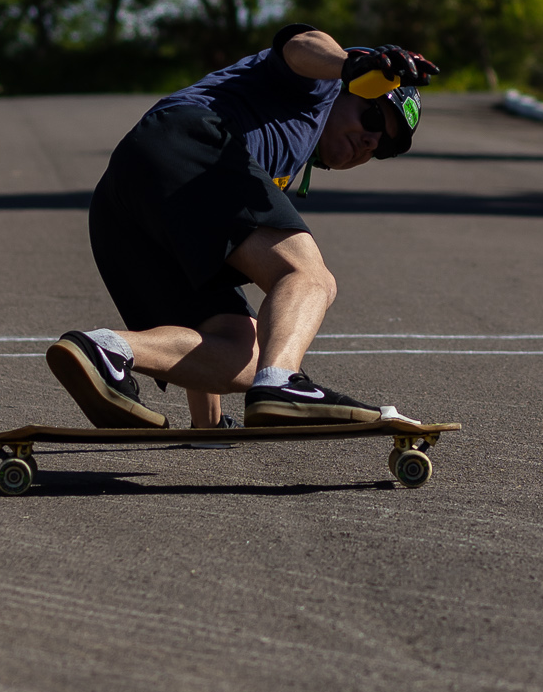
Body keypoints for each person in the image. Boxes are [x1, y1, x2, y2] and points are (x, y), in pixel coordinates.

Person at [46, 25, 438, 430]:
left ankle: (106, 349)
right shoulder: (318, 89)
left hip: (124, 203)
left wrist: (207, 427)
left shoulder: (274, 157)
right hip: (191, 139)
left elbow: (204, 311)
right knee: (308, 275)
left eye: (386, 146)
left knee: (243, 350)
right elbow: (299, 45)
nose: (373, 140)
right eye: (373, 114)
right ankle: (283, 383)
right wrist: (350, 64)